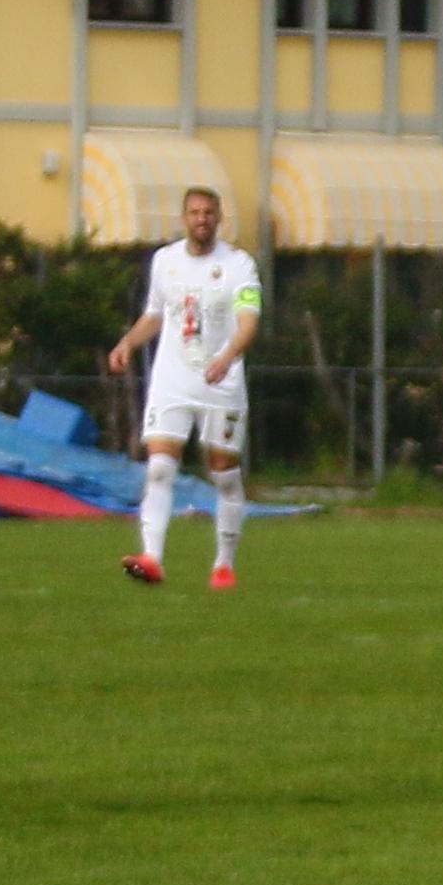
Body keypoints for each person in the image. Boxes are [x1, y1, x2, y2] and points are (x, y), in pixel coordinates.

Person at [104, 183, 260, 591]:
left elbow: (248, 323)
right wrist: (128, 343)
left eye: (208, 212)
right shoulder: (165, 261)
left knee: (223, 474)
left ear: (219, 218)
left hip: (221, 381)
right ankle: (151, 559)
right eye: (194, 212)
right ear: (184, 218)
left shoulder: (238, 264)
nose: (201, 219)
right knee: (159, 468)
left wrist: (226, 357)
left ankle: (223, 564)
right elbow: (155, 315)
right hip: (172, 379)